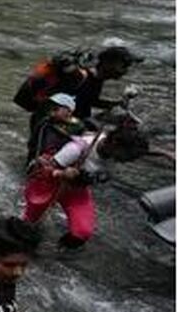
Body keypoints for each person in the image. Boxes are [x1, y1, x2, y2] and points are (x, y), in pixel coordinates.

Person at [23, 119, 146, 248]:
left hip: (76, 189)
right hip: (48, 184)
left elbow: (101, 177)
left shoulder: (113, 154)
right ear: (114, 143)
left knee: (82, 233)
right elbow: (42, 169)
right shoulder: (78, 148)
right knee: (30, 226)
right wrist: (62, 173)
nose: (125, 161)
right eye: (126, 156)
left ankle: (57, 253)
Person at [13, 46, 141, 144]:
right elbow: (53, 102)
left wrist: (117, 104)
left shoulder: (97, 79)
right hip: (50, 126)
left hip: (67, 126)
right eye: (123, 66)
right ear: (108, 63)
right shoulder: (79, 77)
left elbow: (89, 100)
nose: (125, 71)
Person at [26, 92, 82, 164]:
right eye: (51, 107)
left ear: (69, 111)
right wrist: (37, 157)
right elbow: (33, 143)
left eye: (56, 108)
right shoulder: (45, 123)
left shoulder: (78, 127)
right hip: (42, 158)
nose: (51, 111)